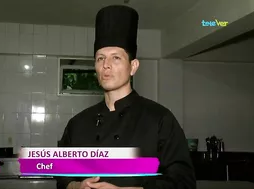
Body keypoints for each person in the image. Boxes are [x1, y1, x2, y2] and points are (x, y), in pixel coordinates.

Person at [56, 5, 196, 189]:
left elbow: (183, 182)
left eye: (116, 58)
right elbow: (62, 176)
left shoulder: (160, 120)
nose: (106, 65)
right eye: (100, 58)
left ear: (133, 66)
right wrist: (77, 186)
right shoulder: (77, 124)